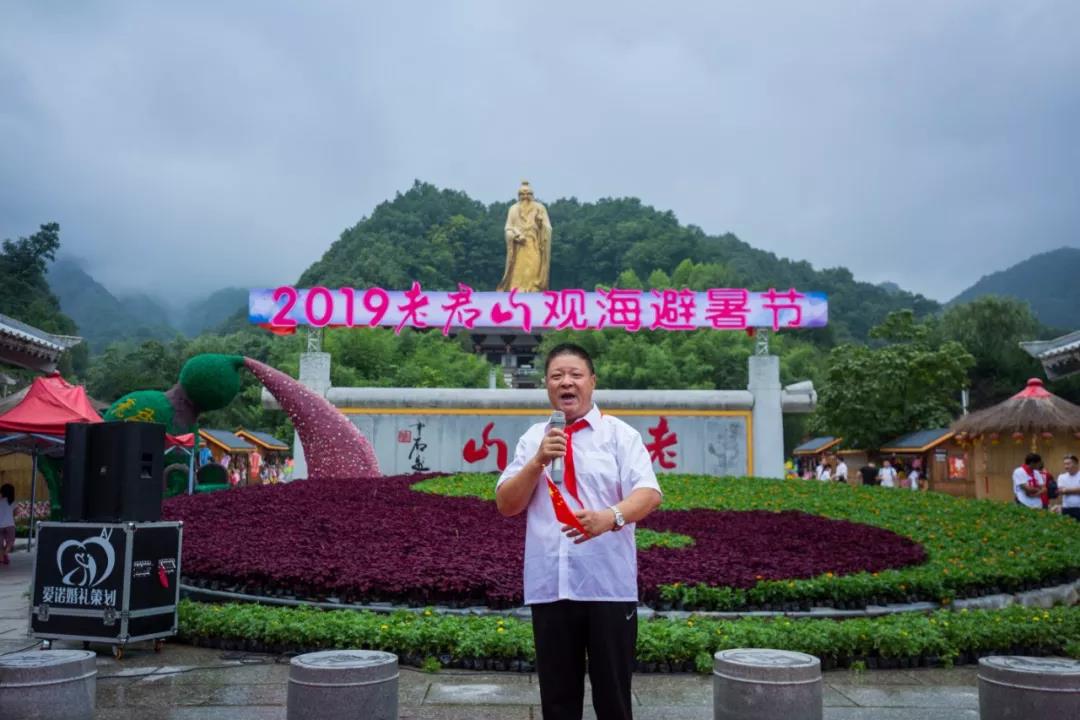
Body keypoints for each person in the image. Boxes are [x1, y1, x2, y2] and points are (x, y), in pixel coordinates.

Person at [497, 343, 662, 720]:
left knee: (614, 699)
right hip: (551, 587)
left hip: (608, 585)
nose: (566, 383)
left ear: (592, 382)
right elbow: (507, 504)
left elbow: (649, 493)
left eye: (575, 375)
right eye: (557, 376)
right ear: (546, 386)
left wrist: (611, 517)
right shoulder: (534, 439)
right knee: (557, 701)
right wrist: (538, 461)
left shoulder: (620, 435)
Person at [497, 180, 552, 292]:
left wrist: (540, 224)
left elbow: (548, 228)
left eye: (528, 194)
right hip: (518, 248)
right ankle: (516, 293)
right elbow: (508, 227)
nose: (525, 196)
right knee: (517, 273)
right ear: (518, 195)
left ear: (532, 195)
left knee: (533, 272)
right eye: (522, 194)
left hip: (534, 246)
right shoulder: (513, 209)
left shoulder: (540, 208)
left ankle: (534, 290)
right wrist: (515, 237)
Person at [1057, 454, 1080, 521]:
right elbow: (1060, 491)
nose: (1066, 466)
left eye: (1068, 464)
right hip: (1066, 508)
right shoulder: (1061, 477)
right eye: (1065, 464)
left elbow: (1063, 490)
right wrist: (1076, 490)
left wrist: (1066, 490)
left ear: (1076, 464)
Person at [0, 484, 14, 566]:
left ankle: (1, 559)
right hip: (10, 525)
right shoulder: (12, 502)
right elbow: (16, 512)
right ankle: (5, 553)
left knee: (0, 544)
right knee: (10, 542)